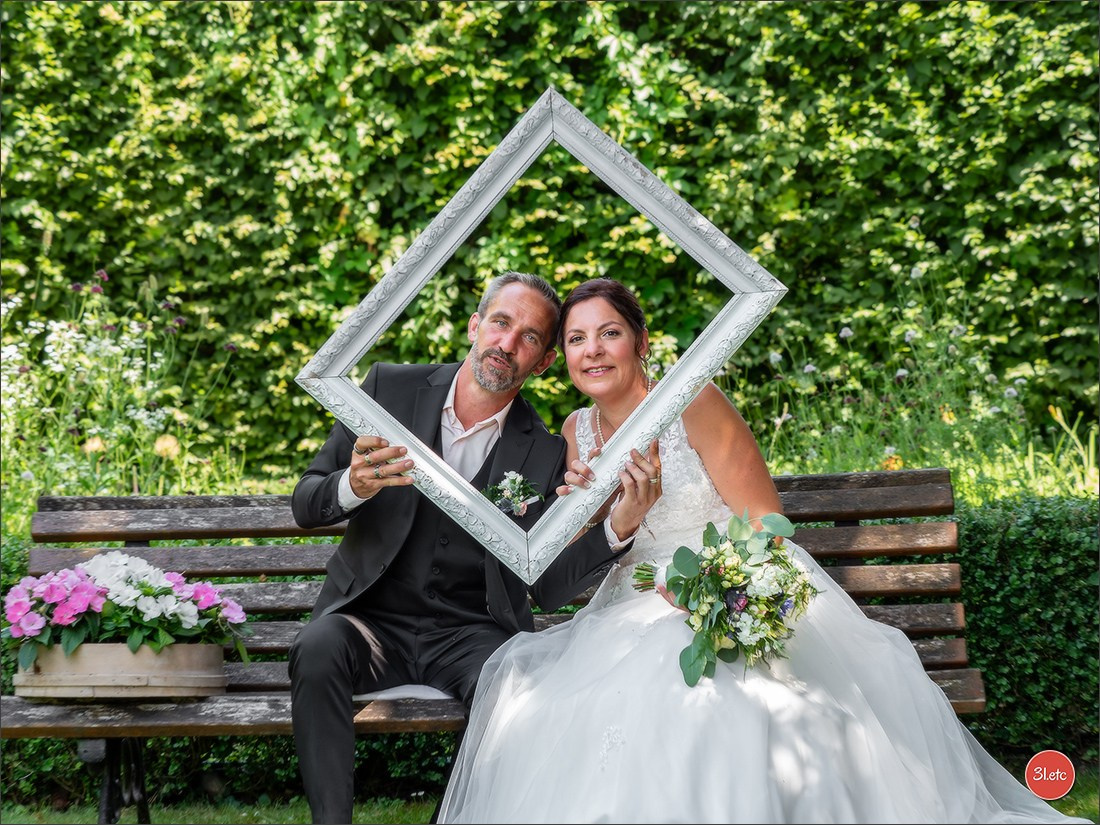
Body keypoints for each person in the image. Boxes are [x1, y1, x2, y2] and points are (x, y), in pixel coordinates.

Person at [437, 277, 1089, 824]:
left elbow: (765, 521)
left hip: (728, 580)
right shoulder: (575, 433)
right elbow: (583, 555)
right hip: (628, 605)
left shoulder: (692, 403)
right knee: (563, 707)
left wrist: (720, 589)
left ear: (639, 339)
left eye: (608, 332)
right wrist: (589, 513)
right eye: (576, 339)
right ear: (563, 357)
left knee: (725, 707)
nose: (593, 350)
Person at [288, 271, 655, 824]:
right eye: (502, 323)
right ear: (474, 326)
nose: (508, 344)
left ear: (544, 363)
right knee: (316, 648)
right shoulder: (389, 389)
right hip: (369, 621)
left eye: (530, 337)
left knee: (511, 680)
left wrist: (616, 528)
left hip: (470, 629)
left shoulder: (546, 450)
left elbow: (549, 585)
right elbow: (306, 503)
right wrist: (353, 485)